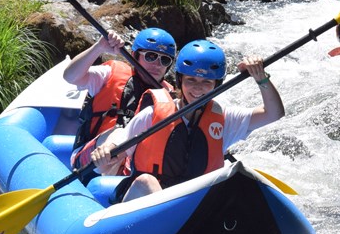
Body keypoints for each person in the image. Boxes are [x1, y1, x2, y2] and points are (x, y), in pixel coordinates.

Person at [91, 39, 284, 202]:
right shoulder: (151, 115)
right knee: (146, 182)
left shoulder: (225, 119)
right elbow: (107, 161)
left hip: (191, 207)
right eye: (191, 80)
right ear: (180, 81)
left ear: (217, 85)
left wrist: (261, 78)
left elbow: (273, 113)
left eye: (206, 82)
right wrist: (105, 153)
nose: (198, 89)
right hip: (144, 204)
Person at [63, 27, 176, 169]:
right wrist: (99, 47)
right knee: (121, 134)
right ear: (135, 56)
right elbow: (70, 76)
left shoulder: (170, 96)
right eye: (151, 56)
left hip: (134, 164)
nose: (157, 65)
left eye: (165, 60)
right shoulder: (110, 74)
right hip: (90, 159)